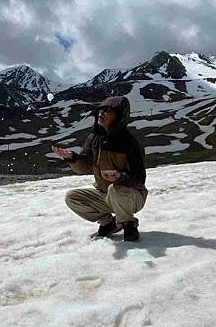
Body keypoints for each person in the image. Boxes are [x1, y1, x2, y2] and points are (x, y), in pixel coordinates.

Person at [52, 96, 148, 241]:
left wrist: (120, 178)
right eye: (101, 110)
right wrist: (71, 158)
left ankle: (129, 225)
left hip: (132, 197)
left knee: (115, 189)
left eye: (108, 111)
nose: (101, 113)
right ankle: (108, 223)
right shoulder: (94, 138)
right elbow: (84, 167)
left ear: (119, 116)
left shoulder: (130, 143)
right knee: (72, 197)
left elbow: (139, 179)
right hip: (104, 195)